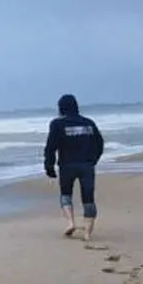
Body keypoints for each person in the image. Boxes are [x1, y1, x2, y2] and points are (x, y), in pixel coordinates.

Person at [43, 93, 104, 240]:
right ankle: (88, 233)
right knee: (88, 198)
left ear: (61, 108)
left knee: (66, 195)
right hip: (86, 165)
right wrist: (93, 160)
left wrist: (49, 167)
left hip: (67, 165)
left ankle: (70, 222)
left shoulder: (57, 124)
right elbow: (99, 144)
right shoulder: (89, 123)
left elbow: (51, 147)